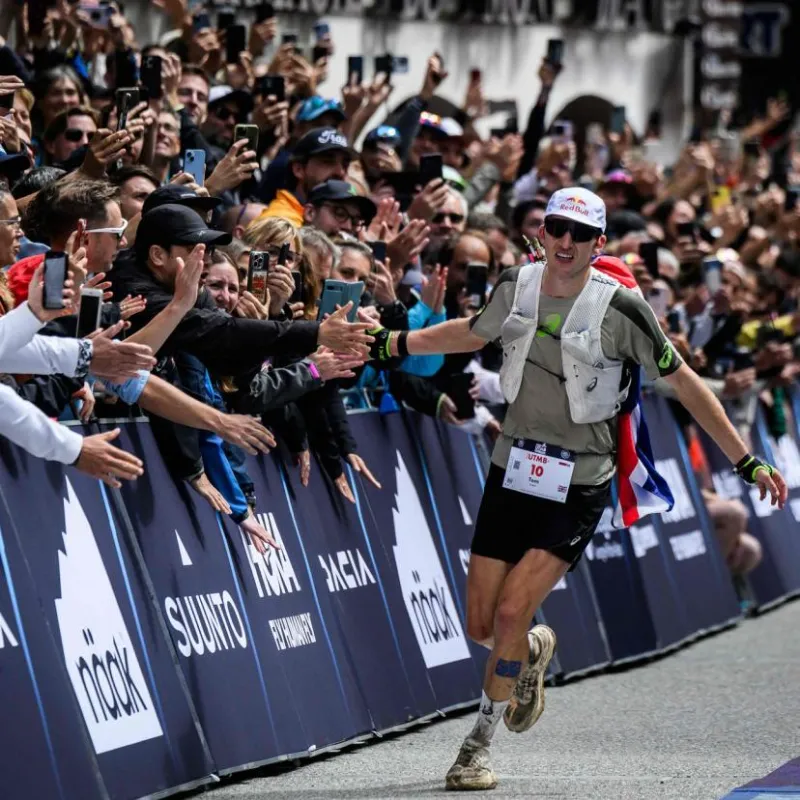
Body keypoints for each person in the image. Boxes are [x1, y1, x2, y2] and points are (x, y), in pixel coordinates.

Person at [368, 187, 787, 791]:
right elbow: (471, 332)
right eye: (556, 228)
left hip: (580, 481)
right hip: (513, 468)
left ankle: (476, 747)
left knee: (512, 610)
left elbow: (688, 384)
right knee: (483, 625)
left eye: (580, 234)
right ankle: (532, 647)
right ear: (542, 232)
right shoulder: (516, 284)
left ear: (599, 243)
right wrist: (392, 345)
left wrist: (747, 463)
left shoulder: (621, 307)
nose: (565, 242)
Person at [260, 127, 352, 227]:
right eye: (328, 161)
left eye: (345, 165)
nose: (340, 172)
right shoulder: (279, 223)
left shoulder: (343, 223)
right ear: (299, 169)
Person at [303, 179, 376, 238]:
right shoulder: (292, 250)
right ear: (310, 213)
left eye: (355, 221)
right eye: (340, 214)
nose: (348, 227)